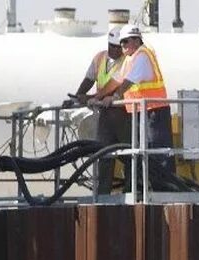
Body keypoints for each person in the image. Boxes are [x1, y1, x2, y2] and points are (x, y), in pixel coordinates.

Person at [90, 24, 174, 191]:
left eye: (126, 42)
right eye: (121, 43)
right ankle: (146, 189)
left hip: (155, 112)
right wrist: (96, 97)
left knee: (158, 153)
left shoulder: (142, 55)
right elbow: (115, 81)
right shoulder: (130, 59)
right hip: (140, 113)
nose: (123, 46)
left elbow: (128, 82)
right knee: (143, 152)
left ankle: (165, 192)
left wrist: (114, 97)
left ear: (136, 40)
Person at [71, 25, 130, 195]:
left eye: (118, 47)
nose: (114, 50)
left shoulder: (126, 62)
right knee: (103, 154)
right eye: (112, 46)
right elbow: (89, 79)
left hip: (122, 114)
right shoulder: (100, 58)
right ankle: (102, 194)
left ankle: (131, 189)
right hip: (104, 115)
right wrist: (78, 96)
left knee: (128, 154)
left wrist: (91, 97)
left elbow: (114, 86)